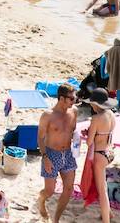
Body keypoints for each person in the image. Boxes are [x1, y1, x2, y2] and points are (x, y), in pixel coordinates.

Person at [37, 84, 79, 223]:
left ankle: (56, 219)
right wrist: (45, 158)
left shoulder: (74, 112)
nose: (75, 100)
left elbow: (72, 131)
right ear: (62, 98)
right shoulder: (48, 115)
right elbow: (40, 138)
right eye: (72, 98)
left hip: (68, 154)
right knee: (49, 191)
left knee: (68, 189)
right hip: (51, 154)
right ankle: (41, 199)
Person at [84, 89, 115, 223]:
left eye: (92, 104)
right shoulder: (111, 114)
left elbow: (89, 142)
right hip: (109, 152)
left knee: (102, 191)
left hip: (99, 155)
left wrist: (88, 134)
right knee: (102, 186)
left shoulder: (96, 119)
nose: (91, 106)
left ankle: (106, 220)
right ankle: (110, 214)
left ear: (96, 104)